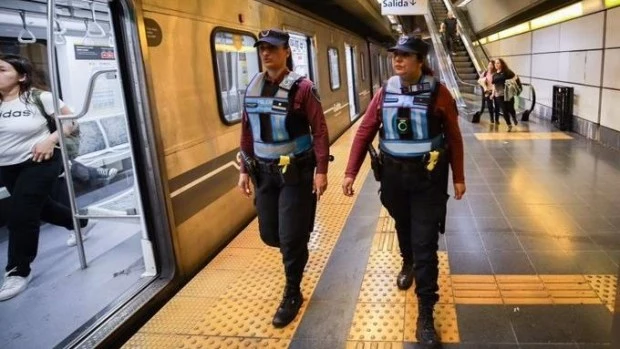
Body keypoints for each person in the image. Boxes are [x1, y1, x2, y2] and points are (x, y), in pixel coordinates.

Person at [342, 36, 466, 346]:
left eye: (406, 56)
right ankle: (407, 261)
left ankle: (426, 314)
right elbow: (365, 131)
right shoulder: (384, 93)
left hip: (427, 181)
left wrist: (459, 177)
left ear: (420, 61)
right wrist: (349, 172)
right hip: (394, 180)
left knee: (426, 245)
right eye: (396, 55)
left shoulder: (439, 93)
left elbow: (454, 137)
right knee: (403, 225)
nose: (398, 60)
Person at [237, 28, 329, 328]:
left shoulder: (302, 88)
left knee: (289, 238)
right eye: (262, 48)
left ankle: (292, 291)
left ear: (286, 51)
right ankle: (296, 244)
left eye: (273, 48)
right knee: (270, 235)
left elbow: (320, 130)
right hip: (264, 174)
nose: (266, 53)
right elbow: (247, 131)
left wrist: (321, 171)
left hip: (295, 173)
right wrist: (243, 170)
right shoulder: (252, 87)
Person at [0, 54, 89, 301]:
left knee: (21, 214)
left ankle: (18, 270)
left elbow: (70, 121)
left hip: (40, 160)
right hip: (8, 166)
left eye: (2, 70)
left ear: (22, 76)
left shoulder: (40, 98)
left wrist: (50, 140)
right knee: (42, 208)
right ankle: (80, 223)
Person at [492, 58, 520, 130]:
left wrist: (510, 82)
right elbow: (494, 85)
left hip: (508, 94)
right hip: (499, 95)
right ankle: (509, 124)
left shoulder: (507, 71)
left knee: (511, 108)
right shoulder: (494, 74)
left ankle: (514, 118)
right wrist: (493, 93)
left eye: (498, 63)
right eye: (495, 63)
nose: (496, 65)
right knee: (504, 110)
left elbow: (515, 77)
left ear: (502, 64)